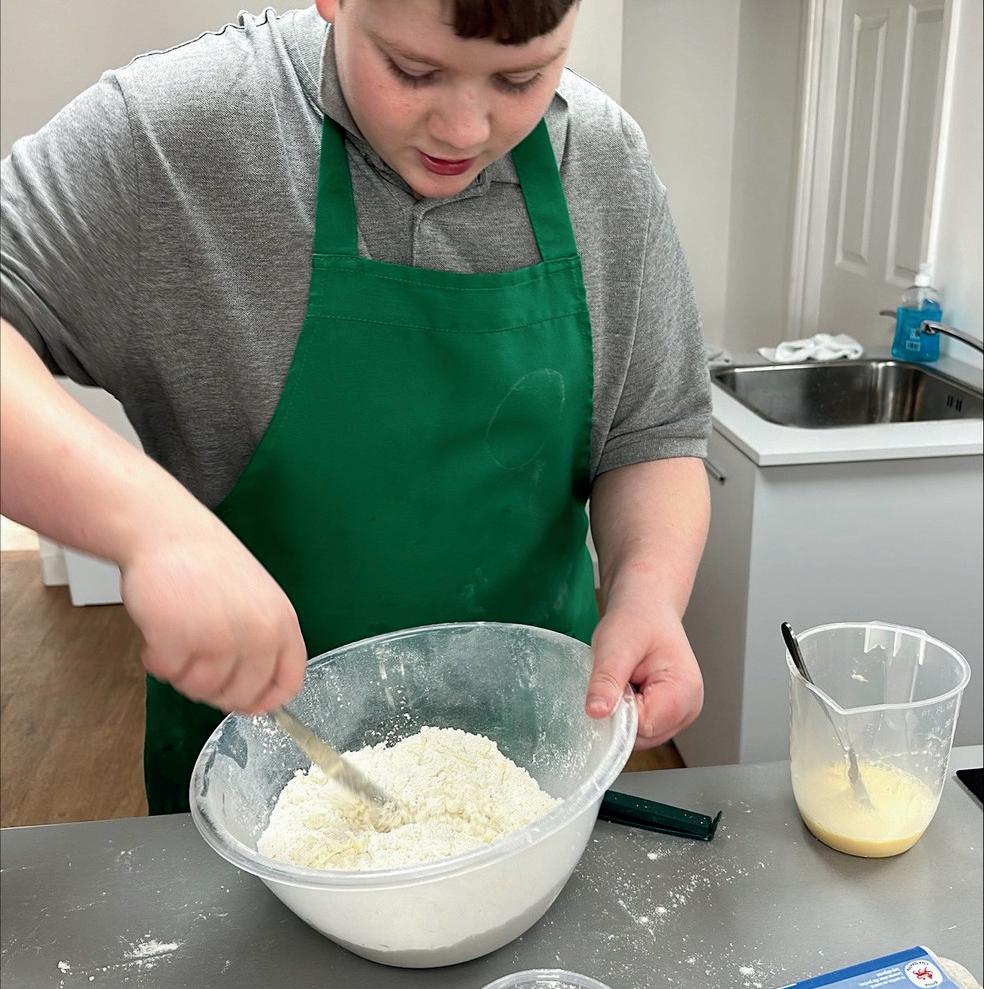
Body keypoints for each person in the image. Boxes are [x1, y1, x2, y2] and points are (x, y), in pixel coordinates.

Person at [0, 0, 712, 815]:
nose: (464, 128)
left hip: (535, 775)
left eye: (521, 79)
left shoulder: (603, 163)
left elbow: (651, 432)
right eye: (413, 70)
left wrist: (648, 593)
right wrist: (150, 529)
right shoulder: (172, 138)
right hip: (258, 784)